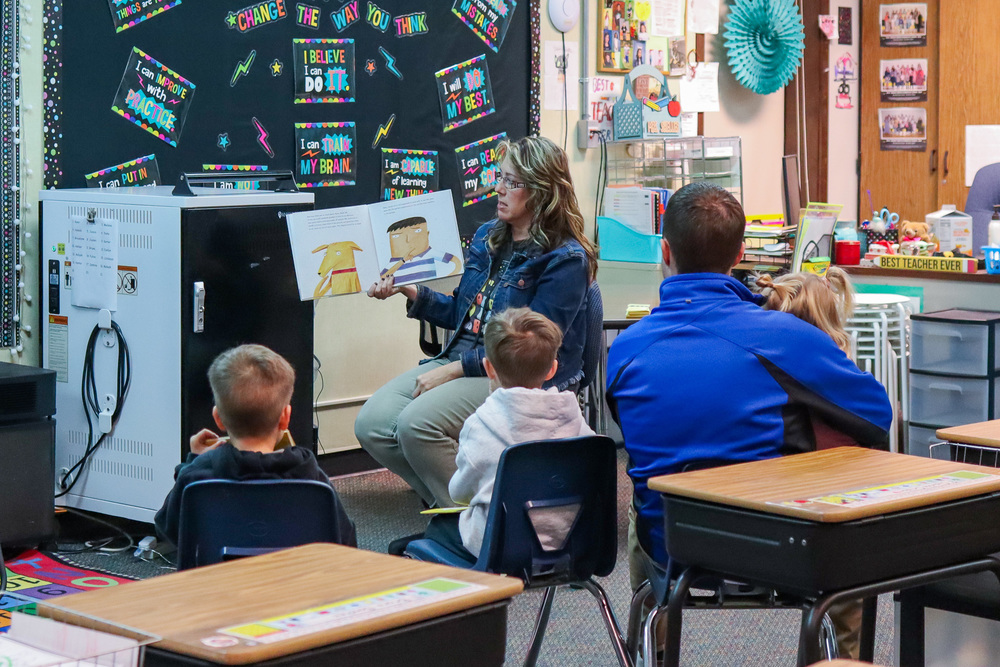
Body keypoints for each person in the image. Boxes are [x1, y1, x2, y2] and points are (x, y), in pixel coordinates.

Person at [606, 182, 892, 658]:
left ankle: (652, 643)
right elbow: (875, 415)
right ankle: (839, 661)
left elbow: (637, 437)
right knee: (847, 534)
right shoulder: (788, 337)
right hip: (779, 548)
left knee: (644, 497)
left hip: (673, 550)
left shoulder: (625, 350)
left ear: (665, 251)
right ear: (741, 252)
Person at [356, 136, 596, 514]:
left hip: (514, 372)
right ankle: (458, 508)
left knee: (415, 425)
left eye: (512, 182)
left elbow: (531, 345)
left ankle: (478, 520)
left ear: (542, 191)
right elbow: (461, 314)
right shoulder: (488, 237)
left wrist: (453, 370)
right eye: (500, 178)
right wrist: (412, 291)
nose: (498, 189)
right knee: (372, 423)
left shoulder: (565, 258)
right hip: (467, 357)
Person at [423, 308, 594, 558]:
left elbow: (459, 493)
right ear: (552, 369)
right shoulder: (574, 417)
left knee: (438, 530)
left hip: (502, 546)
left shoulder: (480, 424)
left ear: (489, 368)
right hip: (569, 540)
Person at [154, 344, 356, 549]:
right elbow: (344, 539)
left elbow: (169, 530)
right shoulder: (310, 475)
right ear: (285, 417)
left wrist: (192, 461)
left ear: (218, 418)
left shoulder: (197, 475)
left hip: (223, 580)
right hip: (293, 579)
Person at [380, 216, 461, 283]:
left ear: (427, 234)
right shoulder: (394, 262)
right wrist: (403, 261)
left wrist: (446, 280)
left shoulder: (429, 253)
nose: (408, 240)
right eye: (396, 236)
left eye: (417, 231)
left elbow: (456, 262)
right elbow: (382, 278)